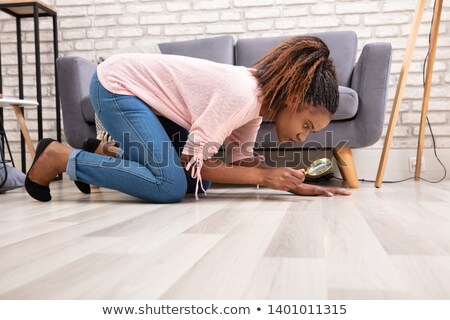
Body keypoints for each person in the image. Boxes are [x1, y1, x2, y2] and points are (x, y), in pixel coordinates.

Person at [25, 35, 351, 203]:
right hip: (118, 86)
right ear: (292, 100)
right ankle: (60, 157)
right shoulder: (242, 95)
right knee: (170, 186)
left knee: (198, 185)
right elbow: (195, 162)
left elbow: (240, 161)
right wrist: (266, 179)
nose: (303, 137)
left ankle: (102, 153)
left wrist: (287, 183)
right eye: (306, 126)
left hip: (150, 102)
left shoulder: (260, 102)